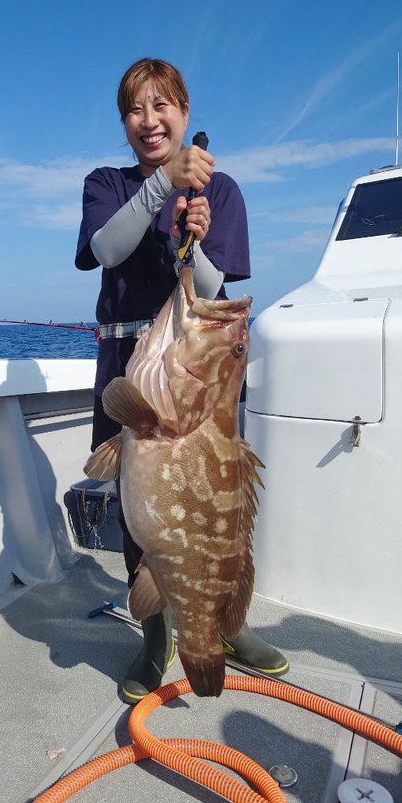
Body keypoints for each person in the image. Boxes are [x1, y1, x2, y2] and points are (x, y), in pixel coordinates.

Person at [75, 58, 288, 704]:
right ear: (125, 122)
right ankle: (155, 634)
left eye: (162, 105)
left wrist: (191, 242)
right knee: (142, 516)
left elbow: (216, 292)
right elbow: (106, 249)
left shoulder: (220, 194)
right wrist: (162, 185)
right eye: (136, 109)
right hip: (131, 369)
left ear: (185, 112)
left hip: (198, 372)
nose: (150, 120)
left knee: (219, 513)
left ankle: (226, 623)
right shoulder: (107, 183)